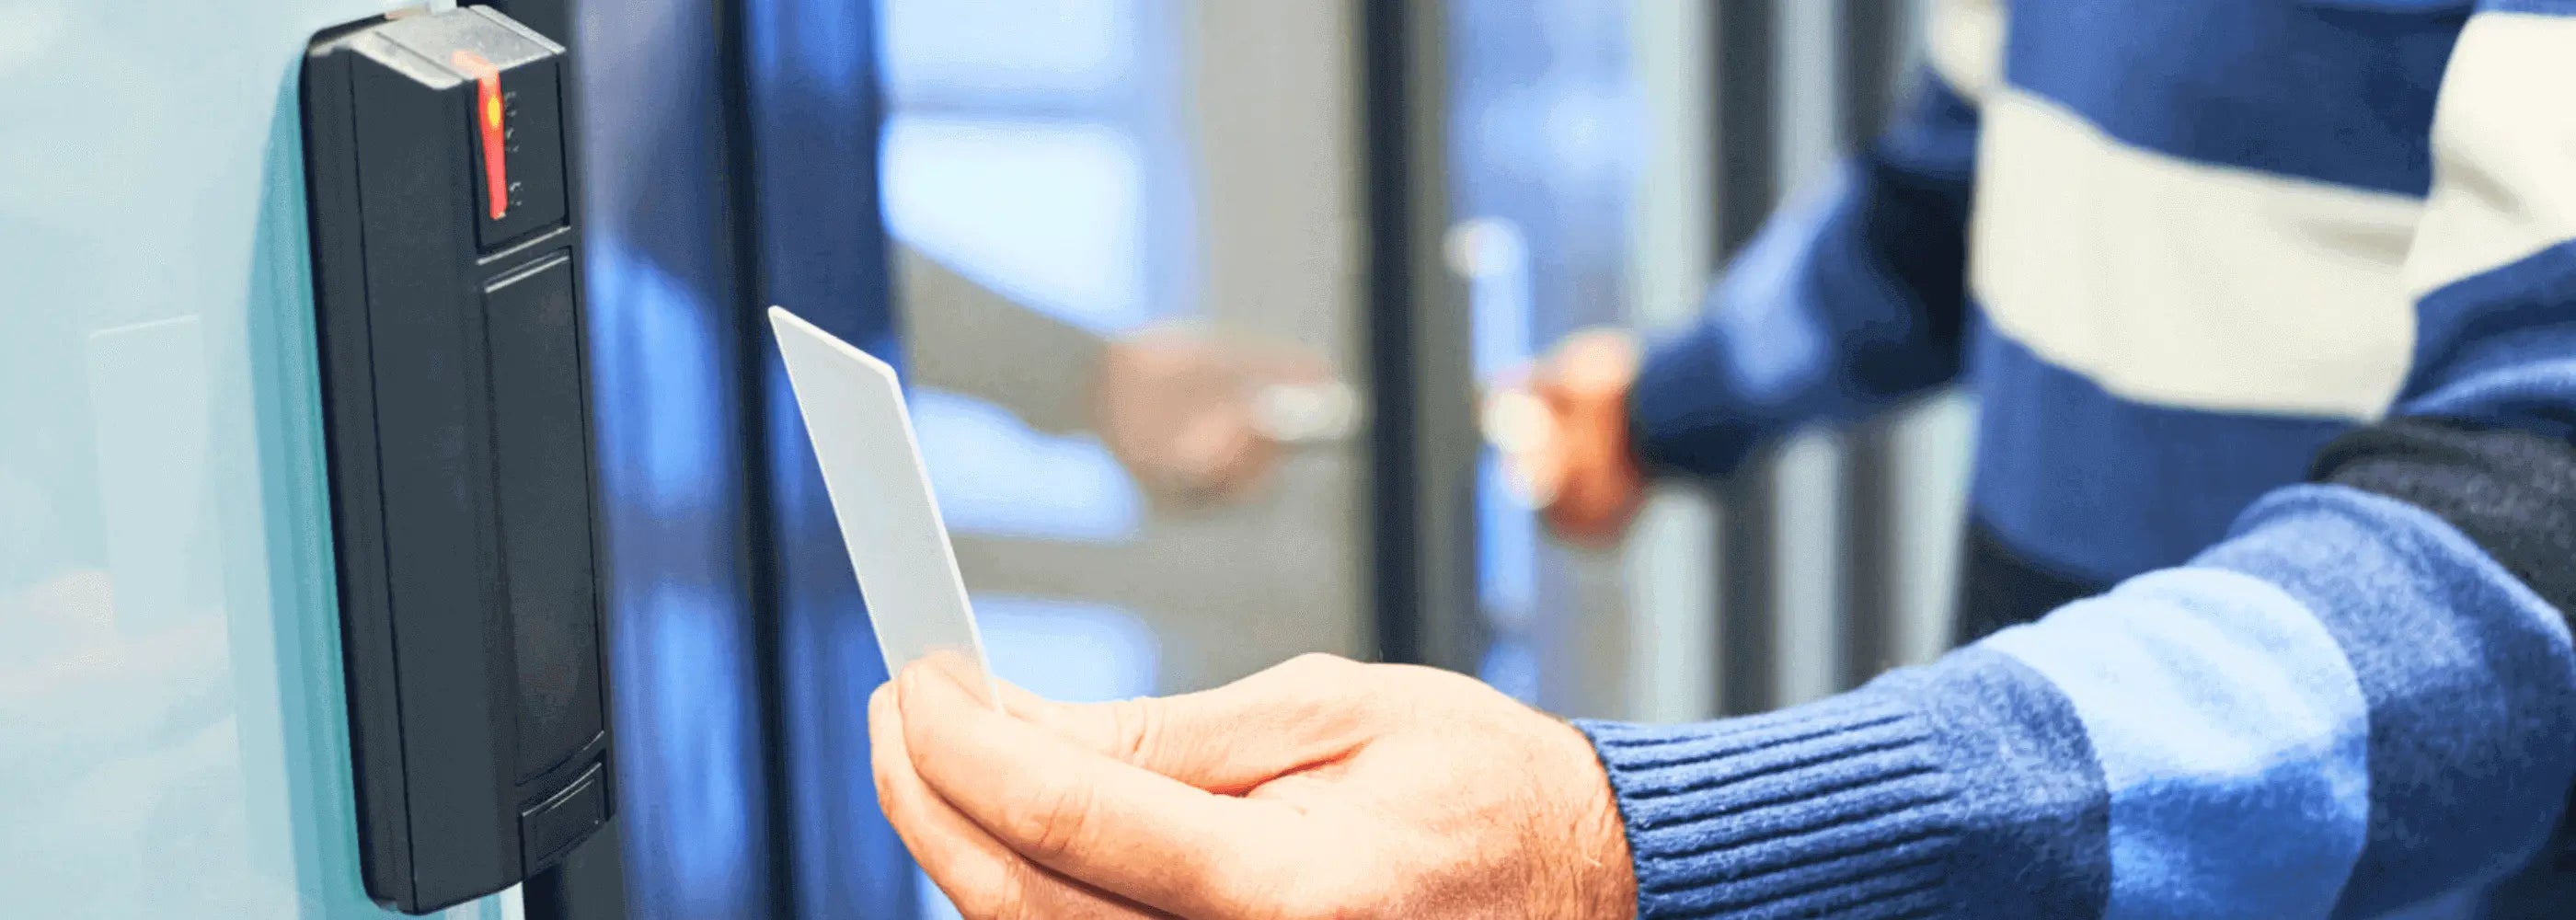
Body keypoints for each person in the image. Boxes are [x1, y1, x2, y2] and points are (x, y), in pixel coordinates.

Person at [869, 0, 2576, 915]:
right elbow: (1956, 193)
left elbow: (2527, 549)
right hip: (2042, 807)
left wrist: (1637, 847)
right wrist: (1666, 410)